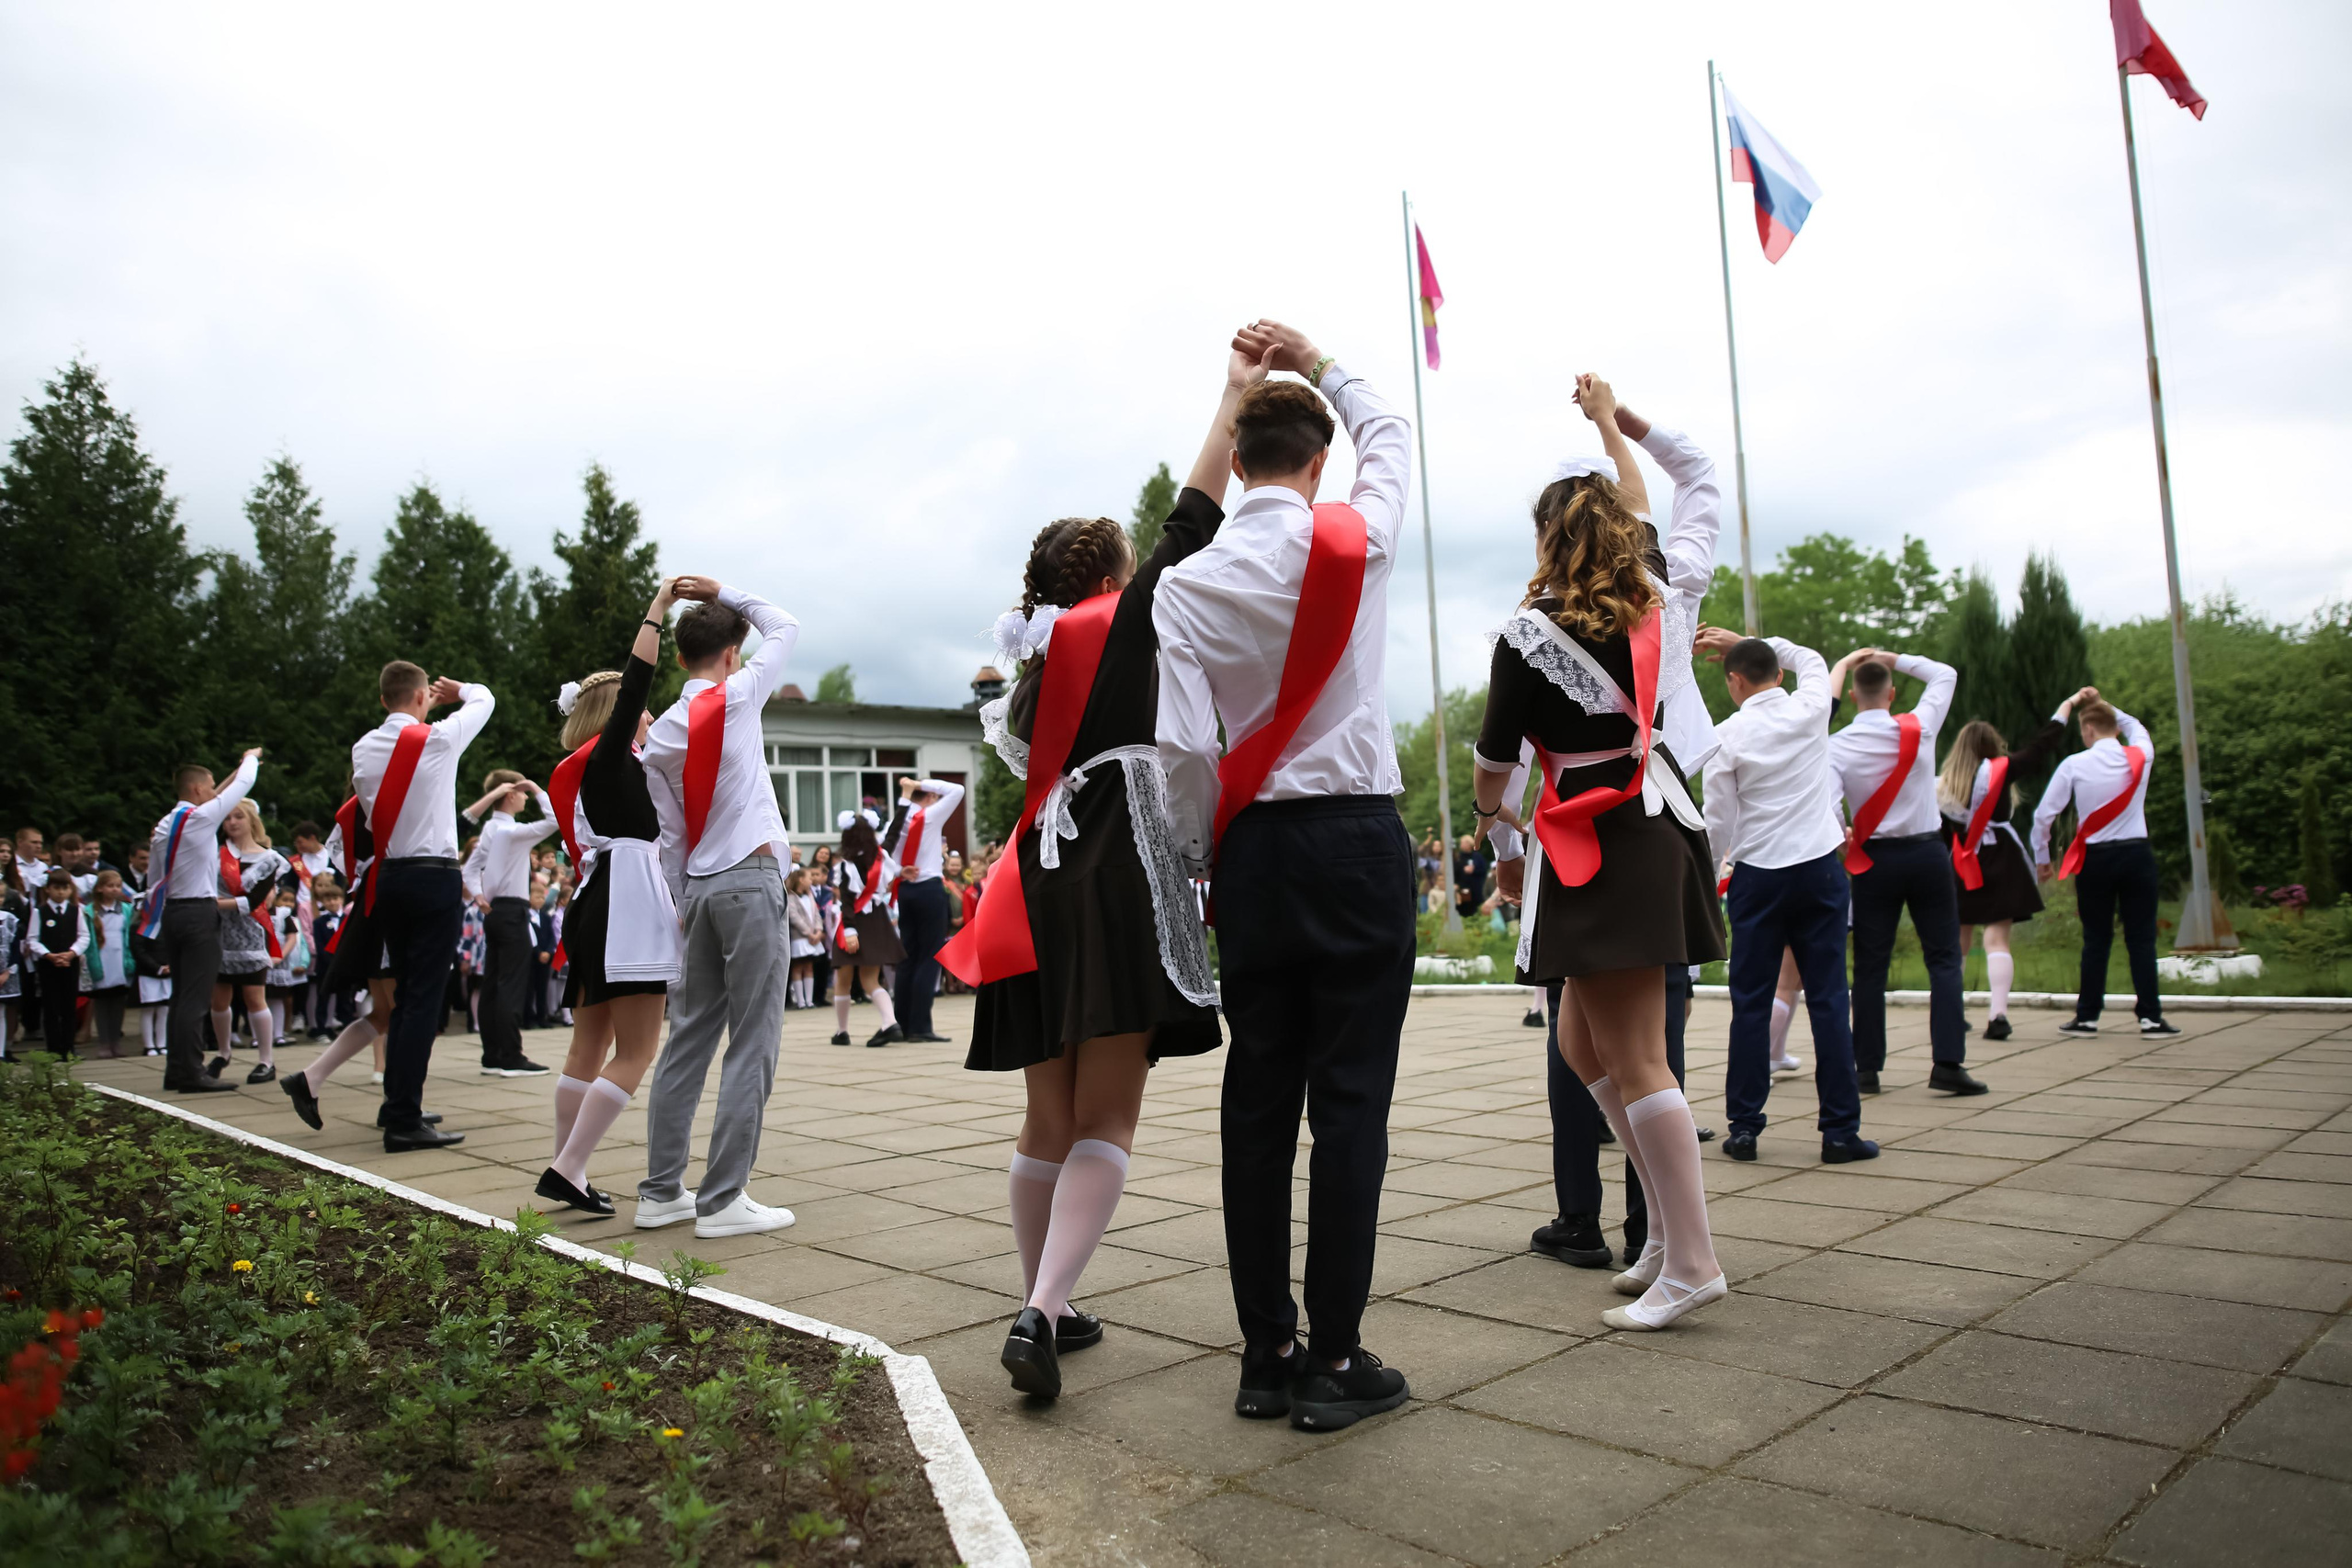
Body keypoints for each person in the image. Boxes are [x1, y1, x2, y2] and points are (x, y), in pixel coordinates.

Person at [949, 344, 1247, 1400]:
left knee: (1048, 1118)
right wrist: (1231, 398)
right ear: (1118, 581)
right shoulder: (1129, 621)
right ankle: (1040, 1310)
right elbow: (1197, 510)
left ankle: (1049, 1296)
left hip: (1031, 878)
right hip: (1119, 864)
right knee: (1108, 1119)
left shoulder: (1027, 678)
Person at [1155, 320, 1416, 1430]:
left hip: (1253, 846)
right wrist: (1320, 360)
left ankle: (1264, 1354)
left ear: (1241, 456)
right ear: (1316, 464)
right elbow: (1392, 431)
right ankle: (1336, 1358)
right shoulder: (1355, 539)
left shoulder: (1184, 584)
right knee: (1350, 1102)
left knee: (1257, 1098)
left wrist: (1203, 851)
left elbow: (1177, 755)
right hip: (1357, 837)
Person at [1475, 373, 1727, 1337]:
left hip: (1597, 834)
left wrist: (1493, 824)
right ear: (1624, 533)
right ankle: (1664, 1232)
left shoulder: (1528, 635)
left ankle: (1693, 1258)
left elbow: (1494, 770)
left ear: (1546, 540)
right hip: (1654, 823)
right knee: (1582, 1043)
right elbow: (1638, 492)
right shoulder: (1654, 595)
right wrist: (1606, 423)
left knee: (1632, 1052)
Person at [639, 574, 802, 1239]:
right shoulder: (740, 695)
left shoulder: (662, 735)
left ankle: (660, 1190)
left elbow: (671, 833)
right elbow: (786, 625)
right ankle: (724, 1197)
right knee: (753, 1040)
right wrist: (724, 590)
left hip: (701, 886)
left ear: (680, 658)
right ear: (733, 652)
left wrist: (683, 897)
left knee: (689, 1039)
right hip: (751, 874)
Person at [536, 587, 690, 1216]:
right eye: (641, 711)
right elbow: (636, 682)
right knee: (636, 1051)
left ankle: (566, 1164)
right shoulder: (609, 755)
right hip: (625, 904)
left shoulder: (586, 768)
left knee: (588, 1046)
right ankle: (568, 1164)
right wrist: (656, 608)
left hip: (596, 902)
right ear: (616, 714)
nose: (649, 717)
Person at [1698, 627, 1878, 1161]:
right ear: (1778, 674)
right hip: (1821, 868)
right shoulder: (1811, 708)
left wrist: (1708, 879)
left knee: (1751, 1002)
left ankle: (1746, 1126)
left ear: (1734, 681)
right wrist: (1751, 637)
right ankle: (1840, 1131)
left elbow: (1718, 823)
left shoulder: (1725, 736)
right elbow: (1815, 657)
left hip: (1759, 874)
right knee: (1828, 998)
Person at [1826, 647, 1984, 1096]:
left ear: (1854, 697)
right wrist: (1892, 656)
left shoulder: (1836, 745)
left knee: (1871, 967)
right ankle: (1948, 1063)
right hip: (1927, 854)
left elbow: (1829, 805)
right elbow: (1945, 674)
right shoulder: (1921, 727)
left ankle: (1866, 1068)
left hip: (1874, 860)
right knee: (1945, 960)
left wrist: (1845, 839)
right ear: (1892, 694)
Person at [353, 662, 494, 1151]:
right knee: (422, 1002)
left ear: (382, 700)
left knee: (407, 997)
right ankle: (403, 1119)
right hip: (433, 876)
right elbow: (486, 700)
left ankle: (399, 1103)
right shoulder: (437, 740)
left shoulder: (363, 747)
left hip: (389, 876)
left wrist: (423, 707)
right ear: (421, 697)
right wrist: (458, 691)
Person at [2032, 694, 2177, 1037]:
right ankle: (2150, 1017)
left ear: (2089, 728)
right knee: (2141, 938)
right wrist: (2102, 700)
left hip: (2095, 860)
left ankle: (2087, 1017)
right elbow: (2135, 726)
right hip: (2137, 856)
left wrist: (2043, 859)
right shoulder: (2141, 755)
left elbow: (2043, 816)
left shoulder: (2074, 764)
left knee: (2096, 939)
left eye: (2084, 731)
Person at [1939, 696, 2084, 1039]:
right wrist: (2067, 706)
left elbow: (1941, 834)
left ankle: (1951, 1015)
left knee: (1957, 943)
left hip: (1961, 861)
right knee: (1997, 940)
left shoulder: (1941, 786)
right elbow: (2041, 745)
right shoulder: (2001, 770)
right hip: (2001, 860)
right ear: (1993, 745)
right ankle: (1998, 1015)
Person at [146, 750, 263, 1094]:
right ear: (197, 790)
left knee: (181, 996)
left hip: (173, 913)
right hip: (199, 913)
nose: (216, 792)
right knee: (196, 999)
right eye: (210, 788)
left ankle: (177, 1070)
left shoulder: (168, 824)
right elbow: (244, 783)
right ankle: (192, 1072)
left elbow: (224, 791)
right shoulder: (199, 820)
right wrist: (250, 758)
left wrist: (229, 776)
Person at [460, 770, 561, 1076]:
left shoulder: (491, 830)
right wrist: (537, 787)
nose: (526, 796)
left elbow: (468, 870)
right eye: (523, 792)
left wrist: (479, 897)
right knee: (511, 985)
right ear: (511, 794)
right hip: (513, 910)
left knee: (493, 984)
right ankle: (511, 1055)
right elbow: (556, 821)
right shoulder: (511, 832)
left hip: (494, 912)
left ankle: (492, 1054)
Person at [207, 800, 295, 1083]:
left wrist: (214, 904)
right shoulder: (215, 854)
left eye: (238, 817)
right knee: (219, 999)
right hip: (219, 935)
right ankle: (223, 1052)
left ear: (251, 820)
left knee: (254, 997)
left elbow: (255, 901)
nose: (232, 822)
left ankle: (266, 1061)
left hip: (252, 935)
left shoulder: (270, 859)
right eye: (228, 817)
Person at [883, 774, 966, 1043]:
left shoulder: (894, 822)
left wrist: (898, 870)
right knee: (929, 956)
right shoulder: (929, 816)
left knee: (908, 956)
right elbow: (957, 789)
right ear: (929, 797)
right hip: (929, 889)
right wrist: (919, 783)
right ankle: (920, 1026)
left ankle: (903, 1023)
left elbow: (883, 854)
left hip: (905, 889)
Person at [826, 810, 905, 1046]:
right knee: (871, 979)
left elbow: (848, 902)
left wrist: (850, 931)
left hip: (855, 922)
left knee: (844, 978)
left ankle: (843, 1032)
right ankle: (890, 1022)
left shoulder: (847, 865)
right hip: (878, 921)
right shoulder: (881, 856)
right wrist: (904, 803)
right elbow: (893, 834)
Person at [27, 869, 87, 1058]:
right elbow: (33, 939)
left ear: (70, 890)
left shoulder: (76, 910)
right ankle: (53, 1049)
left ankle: (68, 1048)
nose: (61, 892)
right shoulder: (40, 912)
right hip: (49, 965)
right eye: (56, 888)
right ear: (48, 889)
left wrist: (71, 953)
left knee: (69, 1006)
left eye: (65, 888)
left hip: (70, 964)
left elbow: (84, 936)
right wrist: (48, 955)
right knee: (51, 1006)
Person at [76, 870, 136, 1057]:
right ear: (100, 888)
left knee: (118, 1003)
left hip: (120, 960)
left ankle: (115, 1042)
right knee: (102, 1004)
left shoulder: (126, 909)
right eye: (110, 886)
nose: (115, 890)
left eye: (118, 886)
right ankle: (103, 1043)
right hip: (100, 961)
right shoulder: (88, 911)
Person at [786, 866, 824, 1010]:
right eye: (809, 878)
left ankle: (809, 1000)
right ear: (801, 880)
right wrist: (809, 933)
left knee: (809, 967)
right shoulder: (791, 897)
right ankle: (800, 1001)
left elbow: (816, 914)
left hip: (813, 937)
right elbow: (794, 917)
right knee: (798, 967)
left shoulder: (810, 896)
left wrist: (819, 931)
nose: (811, 880)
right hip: (800, 937)